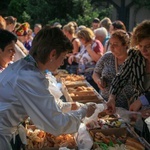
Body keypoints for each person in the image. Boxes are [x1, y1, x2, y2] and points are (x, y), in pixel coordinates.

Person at [0, 26, 96, 150]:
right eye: (62, 58)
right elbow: (56, 123)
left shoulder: (26, 68)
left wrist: (70, 106)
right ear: (52, 54)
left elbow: (45, 102)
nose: (62, 63)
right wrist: (83, 111)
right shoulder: (28, 76)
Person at [106, 20, 150, 142]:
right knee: (139, 141)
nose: (144, 50)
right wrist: (112, 97)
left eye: (148, 46)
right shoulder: (135, 56)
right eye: (140, 46)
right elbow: (121, 77)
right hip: (139, 113)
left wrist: (142, 100)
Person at [93, 29, 134, 109]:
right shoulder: (107, 57)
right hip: (106, 103)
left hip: (128, 106)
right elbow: (96, 73)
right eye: (110, 43)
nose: (111, 47)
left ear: (125, 45)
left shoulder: (134, 60)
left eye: (115, 44)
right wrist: (98, 81)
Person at [68, 28, 104, 92]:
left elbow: (100, 59)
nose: (80, 41)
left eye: (81, 39)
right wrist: (73, 57)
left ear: (84, 38)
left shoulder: (96, 44)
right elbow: (82, 58)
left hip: (92, 77)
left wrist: (90, 50)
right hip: (83, 76)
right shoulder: (84, 45)